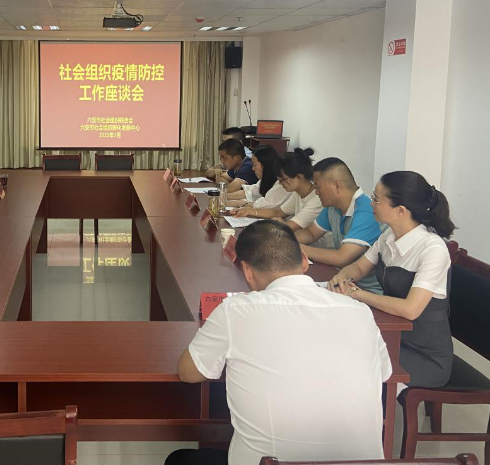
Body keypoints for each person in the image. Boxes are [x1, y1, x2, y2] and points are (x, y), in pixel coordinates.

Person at [167, 220, 390, 465]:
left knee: (180, 460)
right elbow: (383, 373)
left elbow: (189, 372)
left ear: (247, 271)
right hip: (362, 463)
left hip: (271, 462)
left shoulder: (235, 311)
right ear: (304, 261)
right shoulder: (359, 311)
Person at [329, 171, 455, 388]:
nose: (371, 203)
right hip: (393, 335)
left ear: (400, 210)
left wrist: (356, 293)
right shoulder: (388, 236)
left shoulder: (432, 249)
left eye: (377, 199)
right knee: (338, 343)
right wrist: (341, 277)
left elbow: (410, 309)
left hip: (424, 355)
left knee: (350, 360)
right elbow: (359, 267)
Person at [295, 158, 383, 293]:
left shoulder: (366, 210)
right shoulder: (333, 208)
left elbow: (341, 258)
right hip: (343, 281)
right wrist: (284, 239)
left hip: (368, 290)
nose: (316, 192)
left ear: (336, 186)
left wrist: (295, 247)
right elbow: (310, 233)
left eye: (318, 187)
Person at [233, 147, 321, 232]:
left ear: (298, 177)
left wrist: (282, 224)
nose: (280, 183)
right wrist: (249, 211)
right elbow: (277, 212)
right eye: (279, 180)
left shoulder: (316, 199)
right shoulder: (297, 193)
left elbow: (290, 226)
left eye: (283, 179)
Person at [225, 145, 288, 210]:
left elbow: (266, 206)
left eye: (254, 165)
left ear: (265, 165)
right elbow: (249, 192)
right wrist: (223, 197)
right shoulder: (266, 178)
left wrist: (239, 203)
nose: (252, 168)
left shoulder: (281, 183)